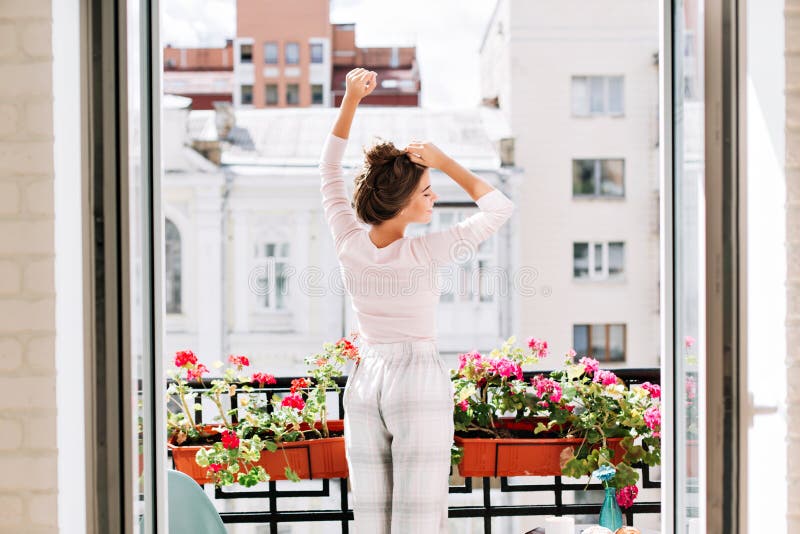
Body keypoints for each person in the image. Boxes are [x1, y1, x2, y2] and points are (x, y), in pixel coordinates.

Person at [318, 67, 515, 533]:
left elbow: (328, 169)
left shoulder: (348, 240)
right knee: (418, 518)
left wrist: (350, 99)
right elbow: (499, 208)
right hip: (417, 379)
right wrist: (444, 160)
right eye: (427, 192)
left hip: (365, 380)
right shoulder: (427, 251)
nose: (435, 198)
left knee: (372, 516)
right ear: (403, 203)